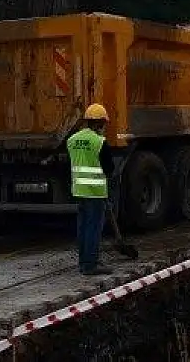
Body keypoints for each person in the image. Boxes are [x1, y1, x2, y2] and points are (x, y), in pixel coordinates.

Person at [68, 103, 116, 276]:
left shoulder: (72, 140)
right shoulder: (99, 142)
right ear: (100, 123)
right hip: (95, 192)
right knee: (94, 228)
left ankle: (83, 261)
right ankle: (91, 265)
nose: (104, 128)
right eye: (104, 124)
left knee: (82, 228)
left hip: (79, 191)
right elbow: (109, 168)